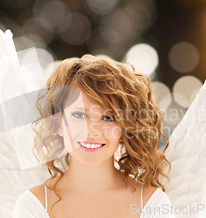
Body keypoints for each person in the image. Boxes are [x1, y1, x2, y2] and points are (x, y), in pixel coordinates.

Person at [12, 54, 175, 218]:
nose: (92, 131)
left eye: (108, 117)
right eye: (79, 115)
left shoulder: (152, 203)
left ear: (125, 129)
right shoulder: (33, 205)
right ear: (58, 124)